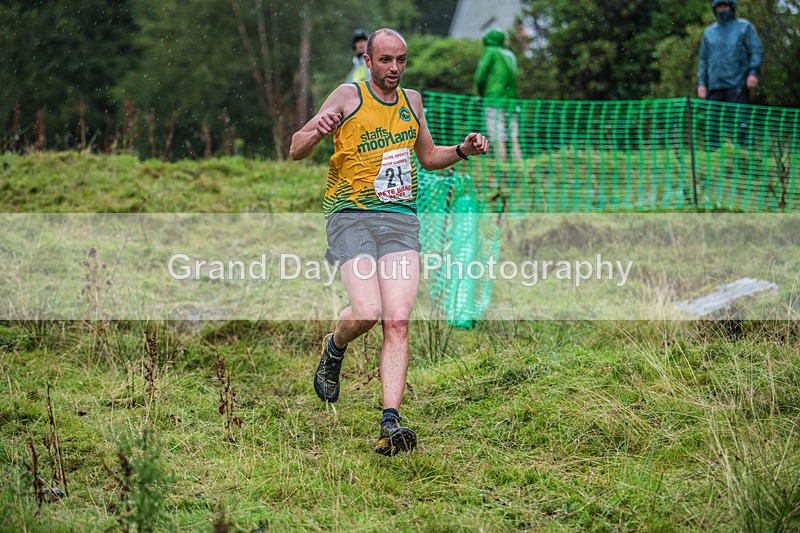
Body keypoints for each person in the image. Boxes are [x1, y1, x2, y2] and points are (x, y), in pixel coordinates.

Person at [289, 28, 488, 456]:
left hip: (399, 220)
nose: (394, 68)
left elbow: (429, 157)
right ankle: (334, 346)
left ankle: (390, 423)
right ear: (368, 60)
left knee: (397, 320)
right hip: (351, 217)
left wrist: (463, 149)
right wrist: (317, 132)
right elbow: (295, 148)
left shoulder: (412, 101)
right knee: (367, 311)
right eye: (386, 60)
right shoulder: (346, 96)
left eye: (400, 60)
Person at [697, 0, 763, 147]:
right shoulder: (709, 32)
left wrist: (753, 72)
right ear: (715, 9)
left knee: (741, 123)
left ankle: (746, 155)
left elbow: (756, 50)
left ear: (732, 7)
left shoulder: (744, 27)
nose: (723, 10)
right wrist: (702, 83)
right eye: (719, 7)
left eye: (725, 6)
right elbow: (703, 60)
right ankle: (713, 157)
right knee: (711, 124)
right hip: (714, 85)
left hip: (737, 83)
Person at [475, 28, 522, 164]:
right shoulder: (510, 55)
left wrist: (480, 93)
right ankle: (520, 172)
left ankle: (502, 172)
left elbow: (480, 75)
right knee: (513, 138)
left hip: (494, 99)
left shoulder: (490, 51)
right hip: (511, 101)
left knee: (497, 137)